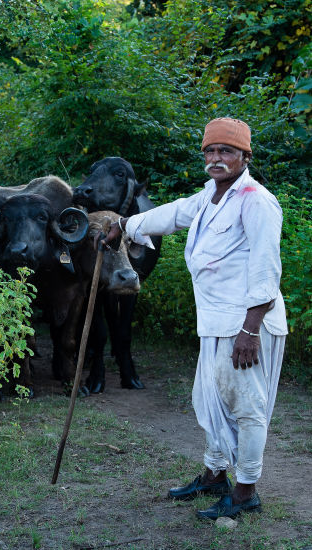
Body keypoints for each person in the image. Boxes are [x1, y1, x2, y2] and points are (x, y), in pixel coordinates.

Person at [100, 117, 287, 520]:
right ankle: (213, 475)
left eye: (227, 151)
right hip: (216, 323)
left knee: (246, 406)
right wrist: (123, 225)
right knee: (211, 399)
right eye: (211, 151)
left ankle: (246, 493)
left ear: (244, 156)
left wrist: (250, 330)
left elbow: (266, 272)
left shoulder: (257, 200)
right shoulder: (209, 196)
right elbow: (170, 215)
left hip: (246, 326)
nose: (217, 158)